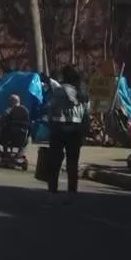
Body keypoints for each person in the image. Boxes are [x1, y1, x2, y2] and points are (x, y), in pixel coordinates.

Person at [42, 65, 91, 202]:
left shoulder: (59, 90)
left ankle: (52, 191)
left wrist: (49, 120)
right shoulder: (83, 92)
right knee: (72, 162)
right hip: (76, 128)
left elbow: (51, 107)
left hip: (59, 125)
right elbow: (87, 112)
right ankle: (72, 192)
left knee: (55, 161)